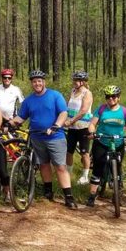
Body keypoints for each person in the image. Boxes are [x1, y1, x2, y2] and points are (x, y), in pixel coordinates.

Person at [10, 70, 76, 209]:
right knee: (43, 164)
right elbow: (21, 117)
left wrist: (56, 125)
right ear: (32, 83)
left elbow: (63, 113)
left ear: (44, 82)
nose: (37, 84)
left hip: (55, 137)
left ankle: (68, 196)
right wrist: (9, 124)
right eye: (34, 81)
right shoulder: (28, 100)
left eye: (39, 81)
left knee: (60, 166)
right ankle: (48, 191)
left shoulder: (55, 95)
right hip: (36, 137)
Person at [85, 85, 126, 208]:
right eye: (108, 96)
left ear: (118, 97)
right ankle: (92, 195)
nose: (111, 99)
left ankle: (117, 194)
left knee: (118, 169)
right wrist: (92, 133)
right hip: (102, 142)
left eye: (114, 96)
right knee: (98, 168)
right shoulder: (101, 109)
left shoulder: (124, 111)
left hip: (118, 143)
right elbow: (92, 124)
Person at [64, 71, 93, 186]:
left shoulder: (87, 93)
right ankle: (69, 173)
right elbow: (66, 107)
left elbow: (83, 110)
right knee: (69, 151)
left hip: (83, 127)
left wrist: (71, 120)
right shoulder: (73, 91)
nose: (75, 82)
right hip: (72, 128)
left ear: (83, 82)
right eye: (74, 80)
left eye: (77, 80)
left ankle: (85, 176)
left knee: (84, 153)